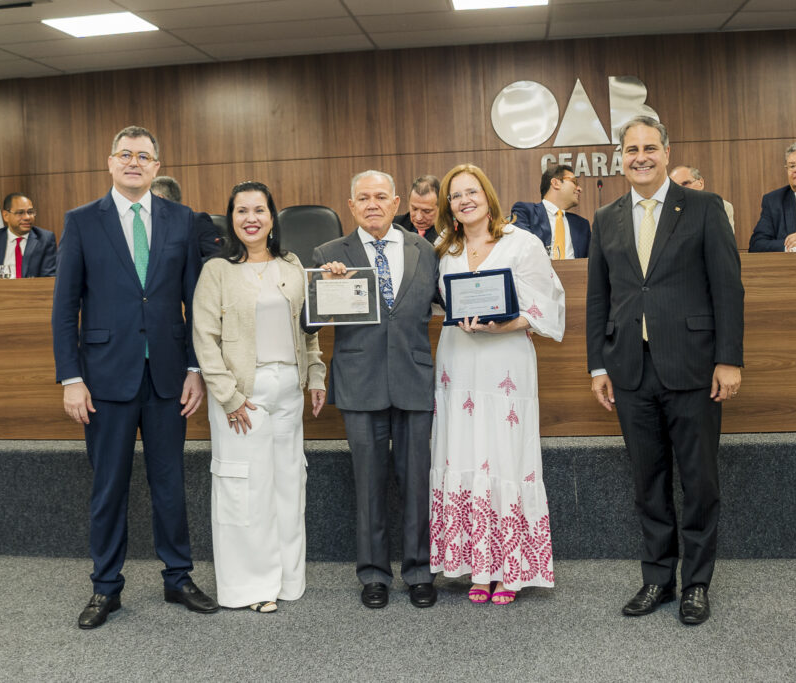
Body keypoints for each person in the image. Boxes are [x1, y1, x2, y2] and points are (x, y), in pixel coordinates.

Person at [52, 125, 218, 630]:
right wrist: (71, 378)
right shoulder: (82, 221)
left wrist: (195, 368)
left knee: (170, 484)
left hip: (168, 377)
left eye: (143, 156)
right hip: (104, 379)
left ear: (156, 166)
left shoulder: (181, 219)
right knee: (109, 487)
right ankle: (106, 587)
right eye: (125, 154)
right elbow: (65, 308)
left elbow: (196, 302)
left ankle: (178, 578)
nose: (133, 162)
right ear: (110, 162)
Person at [586, 116, 744, 626]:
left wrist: (729, 358)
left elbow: (728, 288)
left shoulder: (703, 207)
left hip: (694, 366)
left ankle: (696, 583)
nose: (641, 157)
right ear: (621, 157)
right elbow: (599, 297)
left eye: (649, 147)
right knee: (647, 481)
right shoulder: (605, 217)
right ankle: (657, 577)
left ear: (666, 152)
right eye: (631, 149)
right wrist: (597, 364)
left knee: (699, 481)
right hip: (630, 369)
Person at [429, 164, 564, 606]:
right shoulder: (444, 250)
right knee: (463, 451)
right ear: (448, 206)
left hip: (504, 363)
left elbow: (545, 308)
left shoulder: (521, 243)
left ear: (488, 196)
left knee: (505, 456)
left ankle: (510, 569)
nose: (464, 200)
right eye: (455, 195)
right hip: (457, 363)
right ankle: (476, 567)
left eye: (471, 192)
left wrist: (501, 325)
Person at [192, 181, 327, 613]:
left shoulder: (292, 265)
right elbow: (205, 339)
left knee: (288, 486)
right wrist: (228, 397)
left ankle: (287, 580)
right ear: (231, 218)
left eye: (259, 210)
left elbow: (308, 330)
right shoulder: (217, 270)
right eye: (241, 211)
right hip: (242, 396)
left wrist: (316, 374)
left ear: (272, 217)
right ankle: (251, 588)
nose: (251, 218)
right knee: (245, 492)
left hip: (288, 389)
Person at [312, 170, 440, 609]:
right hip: (360, 382)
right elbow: (308, 323)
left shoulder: (425, 250)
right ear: (351, 206)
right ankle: (374, 574)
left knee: (417, 481)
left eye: (381, 197)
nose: (372, 204)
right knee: (368, 485)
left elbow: (448, 303)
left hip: (414, 378)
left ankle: (419, 571)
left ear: (396, 202)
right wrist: (324, 287)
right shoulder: (329, 254)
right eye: (363, 198)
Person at [510, 165, 591, 258]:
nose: (580, 189)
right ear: (555, 183)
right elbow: (521, 248)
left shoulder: (582, 225)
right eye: (574, 182)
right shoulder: (525, 212)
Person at [0, 192, 57, 279]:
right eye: (20, 213)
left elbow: (49, 278)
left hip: (32, 288)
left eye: (30, 212)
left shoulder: (45, 239)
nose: (27, 217)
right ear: (6, 216)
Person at [150, 175, 223, 259]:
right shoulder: (151, 226)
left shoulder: (196, 221)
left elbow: (216, 256)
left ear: (160, 199)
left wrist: (184, 264)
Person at [669, 165, 735, 232]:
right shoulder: (667, 209)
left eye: (685, 183)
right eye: (675, 186)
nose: (680, 189)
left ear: (700, 183)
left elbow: (724, 237)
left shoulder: (723, 206)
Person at [393, 175, 440, 244]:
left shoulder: (449, 232)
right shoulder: (394, 226)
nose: (418, 218)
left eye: (426, 211)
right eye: (414, 209)